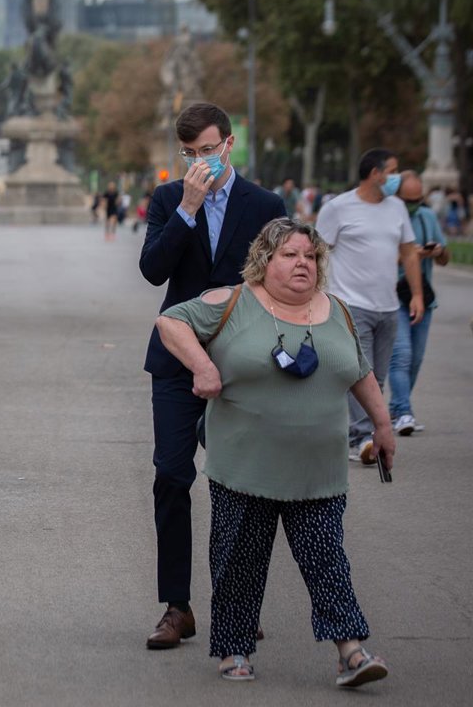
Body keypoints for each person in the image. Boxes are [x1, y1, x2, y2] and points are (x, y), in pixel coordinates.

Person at [156, 218, 394, 689]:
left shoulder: (337, 311)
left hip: (318, 472)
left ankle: (351, 652)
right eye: (290, 255)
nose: (303, 263)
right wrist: (202, 366)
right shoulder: (232, 302)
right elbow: (170, 321)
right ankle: (235, 650)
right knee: (239, 563)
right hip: (245, 468)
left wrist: (383, 426)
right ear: (265, 261)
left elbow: (360, 371)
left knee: (328, 562)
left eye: (310, 256)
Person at [138, 101, 286, 650]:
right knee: (172, 475)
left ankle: (237, 602)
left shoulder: (265, 205)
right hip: (178, 358)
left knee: (243, 484)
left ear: (229, 144)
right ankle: (177, 606)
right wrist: (188, 209)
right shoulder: (168, 199)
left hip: (244, 362)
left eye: (208, 149)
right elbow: (153, 270)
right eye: (190, 153)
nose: (201, 160)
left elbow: (281, 284)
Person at [314, 149, 423, 465]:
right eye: (393, 171)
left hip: (388, 306)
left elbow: (409, 253)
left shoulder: (397, 207)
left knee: (378, 377)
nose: (397, 177)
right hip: (352, 305)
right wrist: (317, 297)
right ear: (375, 174)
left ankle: (370, 430)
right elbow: (317, 252)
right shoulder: (338, 208)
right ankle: (361, 436)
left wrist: (416, 294)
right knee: (360, 372)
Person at [388, 172, 450, 435]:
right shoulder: (387, 218)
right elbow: (379, 261)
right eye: (408, 200)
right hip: (393, 296)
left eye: (418, 200)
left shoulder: (427, 217)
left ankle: (396, 408)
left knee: (415, 359)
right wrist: (411, 256)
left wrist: (437, 251)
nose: (414, 205)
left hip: (422, 296)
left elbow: (445, 258)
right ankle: (404, 412)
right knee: (401, 355)